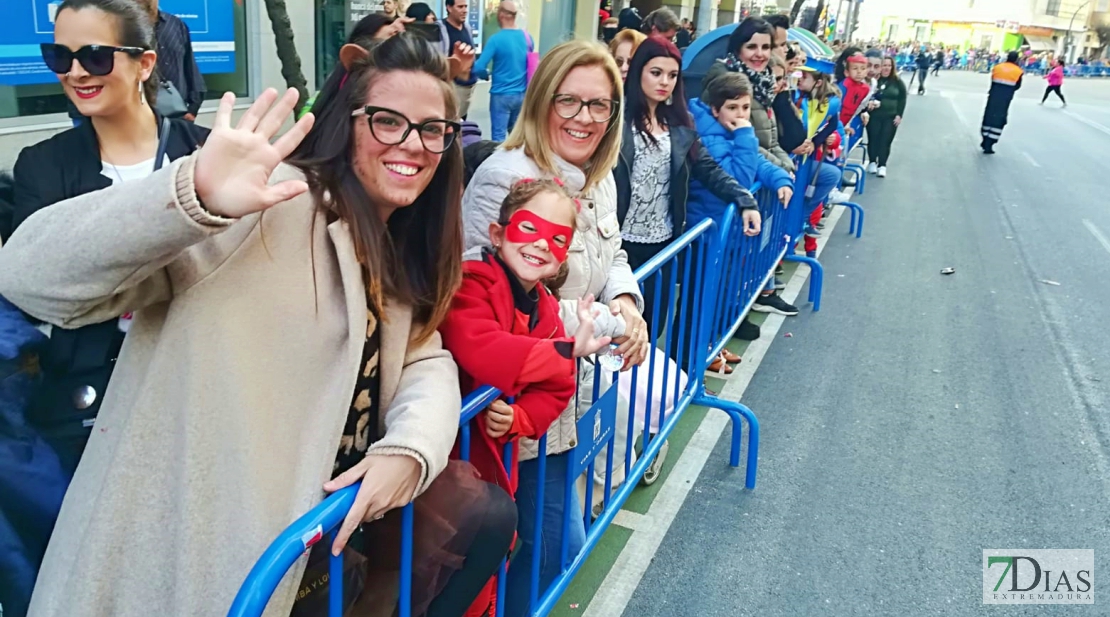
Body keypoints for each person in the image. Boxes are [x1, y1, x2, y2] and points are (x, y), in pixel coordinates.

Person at [1, 33, 515, 617]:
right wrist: (190, 194)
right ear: (345, 123)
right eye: (387, 121)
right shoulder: (270, 206)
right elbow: (27, 275)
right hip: (200, 566)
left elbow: (425, 357)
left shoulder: (399, 245)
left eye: (432, 130)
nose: (414, 144)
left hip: (311, 558)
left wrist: (411, 448)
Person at [462, 40, 648, 617]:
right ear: (542, 102)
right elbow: (490, 291)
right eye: (569, 101)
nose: (584, 118)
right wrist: (603, 324)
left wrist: (626, 299)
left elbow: (611, 253)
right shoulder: (505, 178)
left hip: (563, 395)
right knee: (519, 550)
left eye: (600, 105)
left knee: (548, 547)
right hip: (503, 400)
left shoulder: (600, 177)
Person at [11, 0, 209, 475]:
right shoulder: (42, 165)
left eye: (96, 56)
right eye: (60, 57)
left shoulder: (204, 154)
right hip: (85, 401)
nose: (76, 72)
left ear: (145, 63)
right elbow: (41, 290)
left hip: (195, 388)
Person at [440, 178, 618, 617]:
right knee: (439, 572)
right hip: (447, 467)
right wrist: (561, 353)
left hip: (496, 467)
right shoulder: (471, 284)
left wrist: (520, 418)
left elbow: (560, 386)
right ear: (498, 233)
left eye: (558, 239)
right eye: (529, 229)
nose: (541, 245)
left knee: (487, 570)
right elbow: (481, 349)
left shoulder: (545, 304)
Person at [617, 36, 759, 368]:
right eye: (656, 72)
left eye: (672, 75)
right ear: (639, 72)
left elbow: (708, 169)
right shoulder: (615, 119)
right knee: (617, 332)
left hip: (663, 246)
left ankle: (637, 407)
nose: (664, 82)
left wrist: (745, 199)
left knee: (650, 330)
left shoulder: (679, 123)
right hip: (618, 246)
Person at [703, 18, 795, 173]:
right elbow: (735, 137)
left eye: (765, 47)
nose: (759, 54)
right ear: (738, 49)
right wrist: (781, 168)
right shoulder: (724, 80)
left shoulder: (764, 82)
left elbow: (771, 142)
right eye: (751, 47)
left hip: (763, 172)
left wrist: (786, 165)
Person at [794, 59, 846, 262]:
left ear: (817, 82)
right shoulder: (796, 97)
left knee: (831, 174)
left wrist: (815, 143)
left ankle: (803, 218)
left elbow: (833, 125)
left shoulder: (829, 102)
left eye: (803, 76)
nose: (798, 79)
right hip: (791, 161)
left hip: (805, 161)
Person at [134, 0, 205, 120]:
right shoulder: (121, 28)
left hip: (177, 117)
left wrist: (193, 108)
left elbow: (190, 68)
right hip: (138, 118)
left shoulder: (176, 25)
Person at [473, 1, 531, 140]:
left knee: (498, 138)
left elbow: (478, 67)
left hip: (501, 96)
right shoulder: (528, 38)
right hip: (521, 95)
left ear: (502, 15)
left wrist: (486, 75)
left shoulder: (495, 40)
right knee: (517, 137)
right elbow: (531, 65)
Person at [866, 56, 906, 178]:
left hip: (890, 116)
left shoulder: (897, 82)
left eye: (889, 65)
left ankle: (882, 165)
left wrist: (899, 115)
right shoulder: (873, 81)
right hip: (874, 116)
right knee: (873, 139)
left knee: (885, 141)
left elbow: (902, 98)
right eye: (884, 65)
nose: (886, 68)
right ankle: (872, 161)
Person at [981, 51, 1024, 154]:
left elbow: (993, 80)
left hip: (993, 96)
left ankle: (984, 138)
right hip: (1005, 99)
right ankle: (990, 143)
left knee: (988, 117)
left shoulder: (997, 67)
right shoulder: (1018, 71)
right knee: (999, 120)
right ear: (1016, 59)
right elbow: (1017, 86)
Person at [443, 0, 477, 118]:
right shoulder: (442, 30)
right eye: (460, 7)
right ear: (449, 8)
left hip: (467, 87)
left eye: (466, 7)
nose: (465, 10)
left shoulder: (467, 28)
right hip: (451, 87)